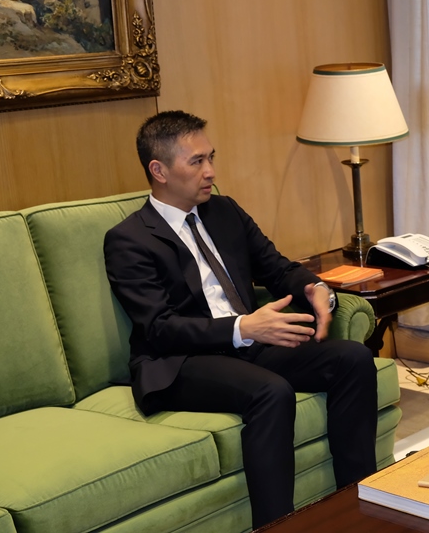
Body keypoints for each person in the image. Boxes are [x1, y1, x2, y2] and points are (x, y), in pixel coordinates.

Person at [104, 111, 377, 528]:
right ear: (159, 171)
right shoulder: (129, 239)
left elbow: (277, 267)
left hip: (248, 345)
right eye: (197, 161)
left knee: (353, 359)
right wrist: (242, 328)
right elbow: (159, 328)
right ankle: (277, 525)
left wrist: (313, 288)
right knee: (271, 392)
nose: (211, 171)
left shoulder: (224, 211)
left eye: (211, 157)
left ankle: (358, 507)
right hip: (181, 362)